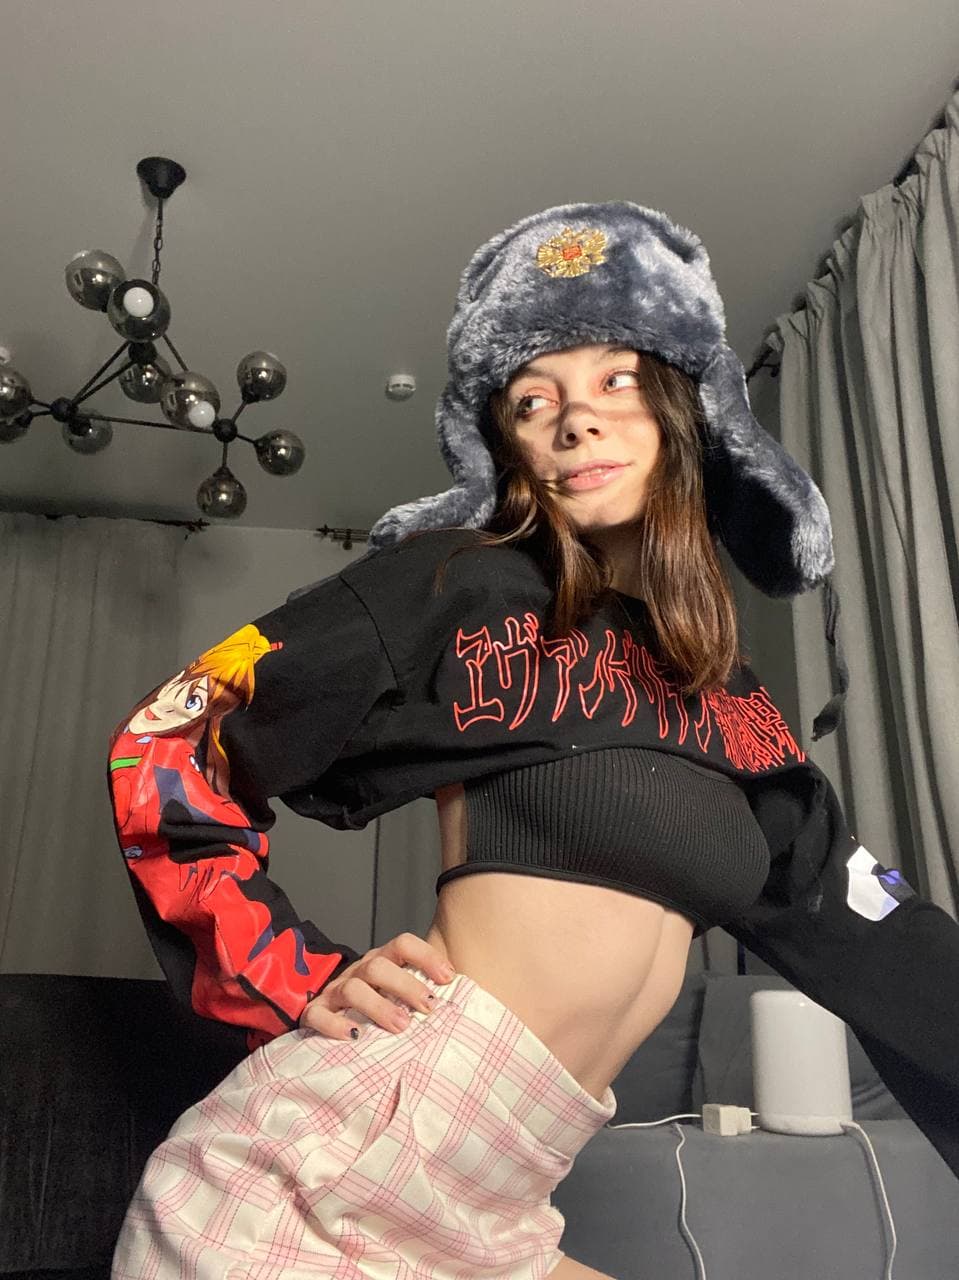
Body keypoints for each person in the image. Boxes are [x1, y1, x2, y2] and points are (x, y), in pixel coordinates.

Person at [107, 202, 959, 1280]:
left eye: (616, 380)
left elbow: (883, 939)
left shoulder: (734, 706)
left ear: (684, 409)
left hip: (502, 1205)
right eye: (531, 399)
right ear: (508, 448)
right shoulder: (455, 585)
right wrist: (285, 971)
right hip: (325, 1170)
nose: (574, 420)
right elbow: (170, 736)